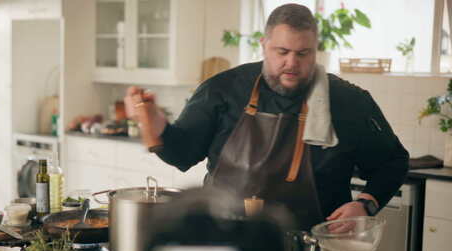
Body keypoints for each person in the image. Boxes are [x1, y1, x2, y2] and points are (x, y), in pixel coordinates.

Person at [125, 3, 409, 230]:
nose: (292, 63)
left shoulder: (348, 101)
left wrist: (366, 204)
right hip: (225, 242)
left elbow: (392, 162)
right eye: (282, 52)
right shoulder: (223, 89)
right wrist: (156, 123)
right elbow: (181, 154)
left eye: (303, 53)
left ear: (316, 49)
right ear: (264, 44)